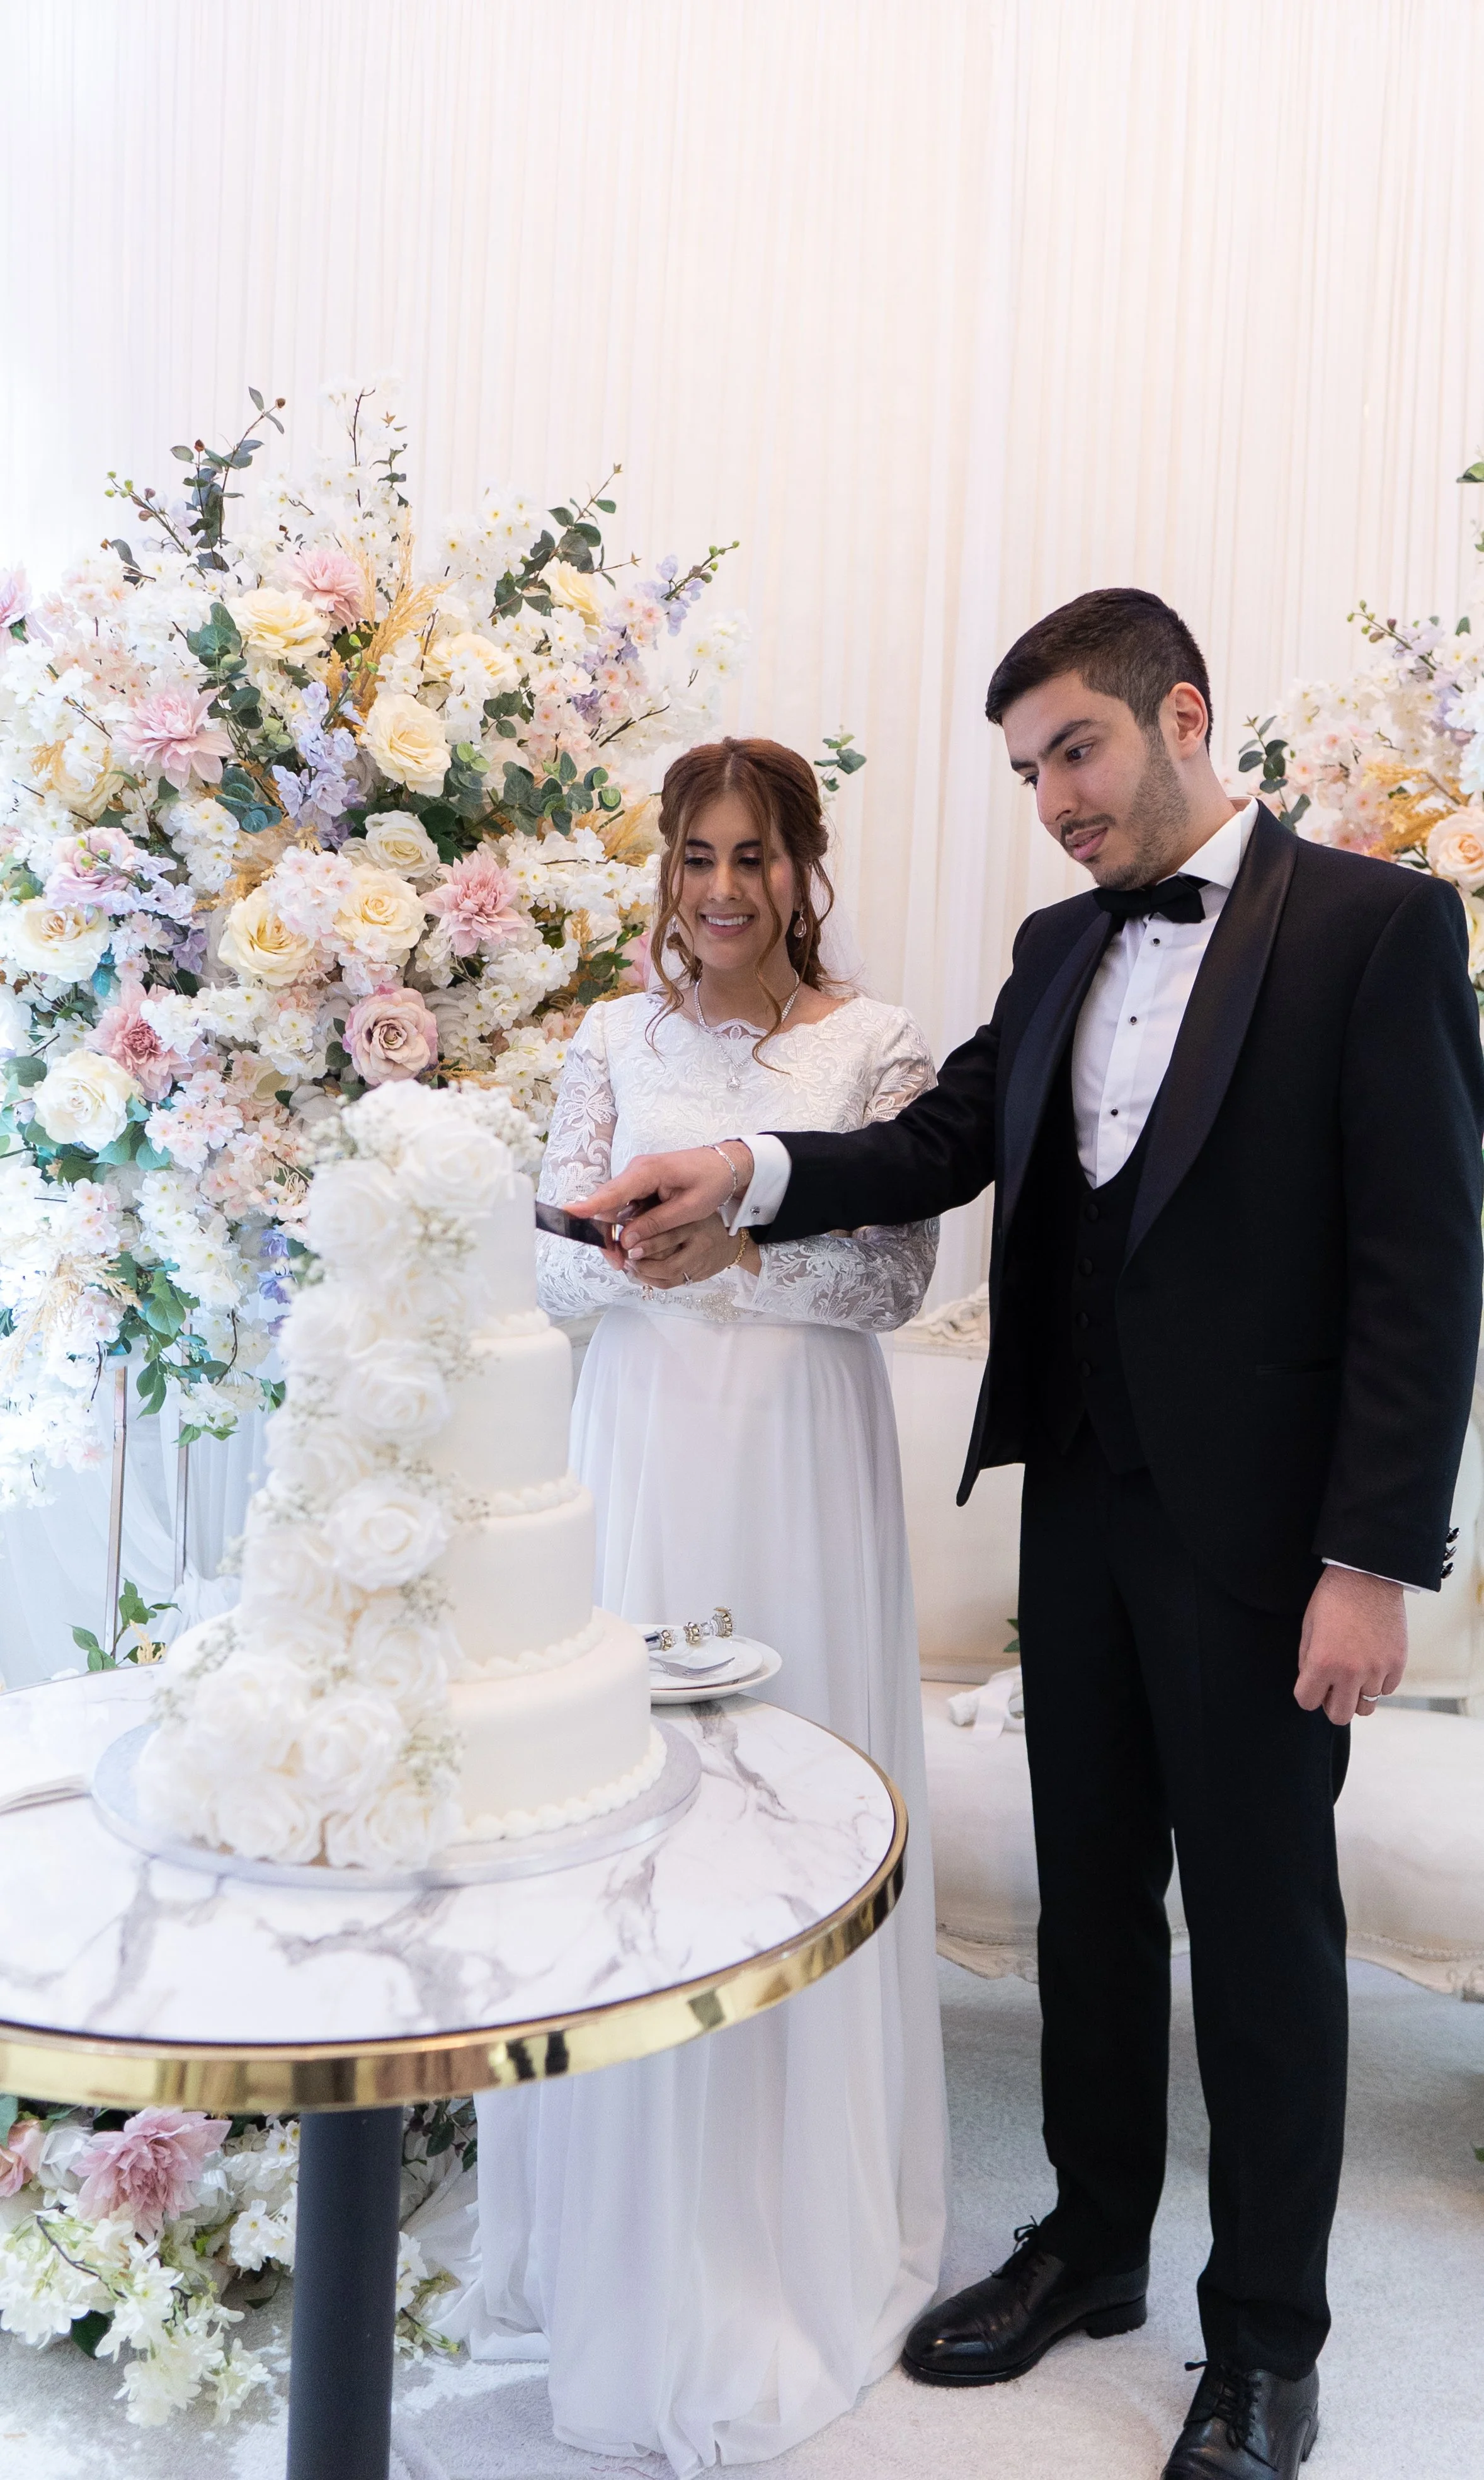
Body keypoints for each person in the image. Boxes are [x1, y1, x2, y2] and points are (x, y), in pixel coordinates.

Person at [572, 592, 1484, 2480]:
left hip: (1263, 1546)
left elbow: (1423, 1269)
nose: (1053, 800)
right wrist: (744, 1170)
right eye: (1025, 771)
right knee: (1087, 1906)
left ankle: (1266, 2344)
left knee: (1255, 1939)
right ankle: (1086, 2243)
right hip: (1075, 1503)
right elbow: (936, 1145)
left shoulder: (1380, 929)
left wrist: (1369, 1561)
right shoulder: (1055, 941)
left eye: (1073, 751)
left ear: (1179, 714)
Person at [447, 737, 949, 2472]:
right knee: (631, 1813)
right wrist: (604, 1243)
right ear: (660, 867)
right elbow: (536, 1262)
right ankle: (610, 2223)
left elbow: (890, 1276)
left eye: (752, 858)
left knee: (788, 1805)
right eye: (692, 859)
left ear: (805, 868)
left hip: (797, 1454)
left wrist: (744, 1249)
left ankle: (780, 2222)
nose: (720, 891)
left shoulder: (874, 1045)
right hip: (641, 1446)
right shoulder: (607, 1037)